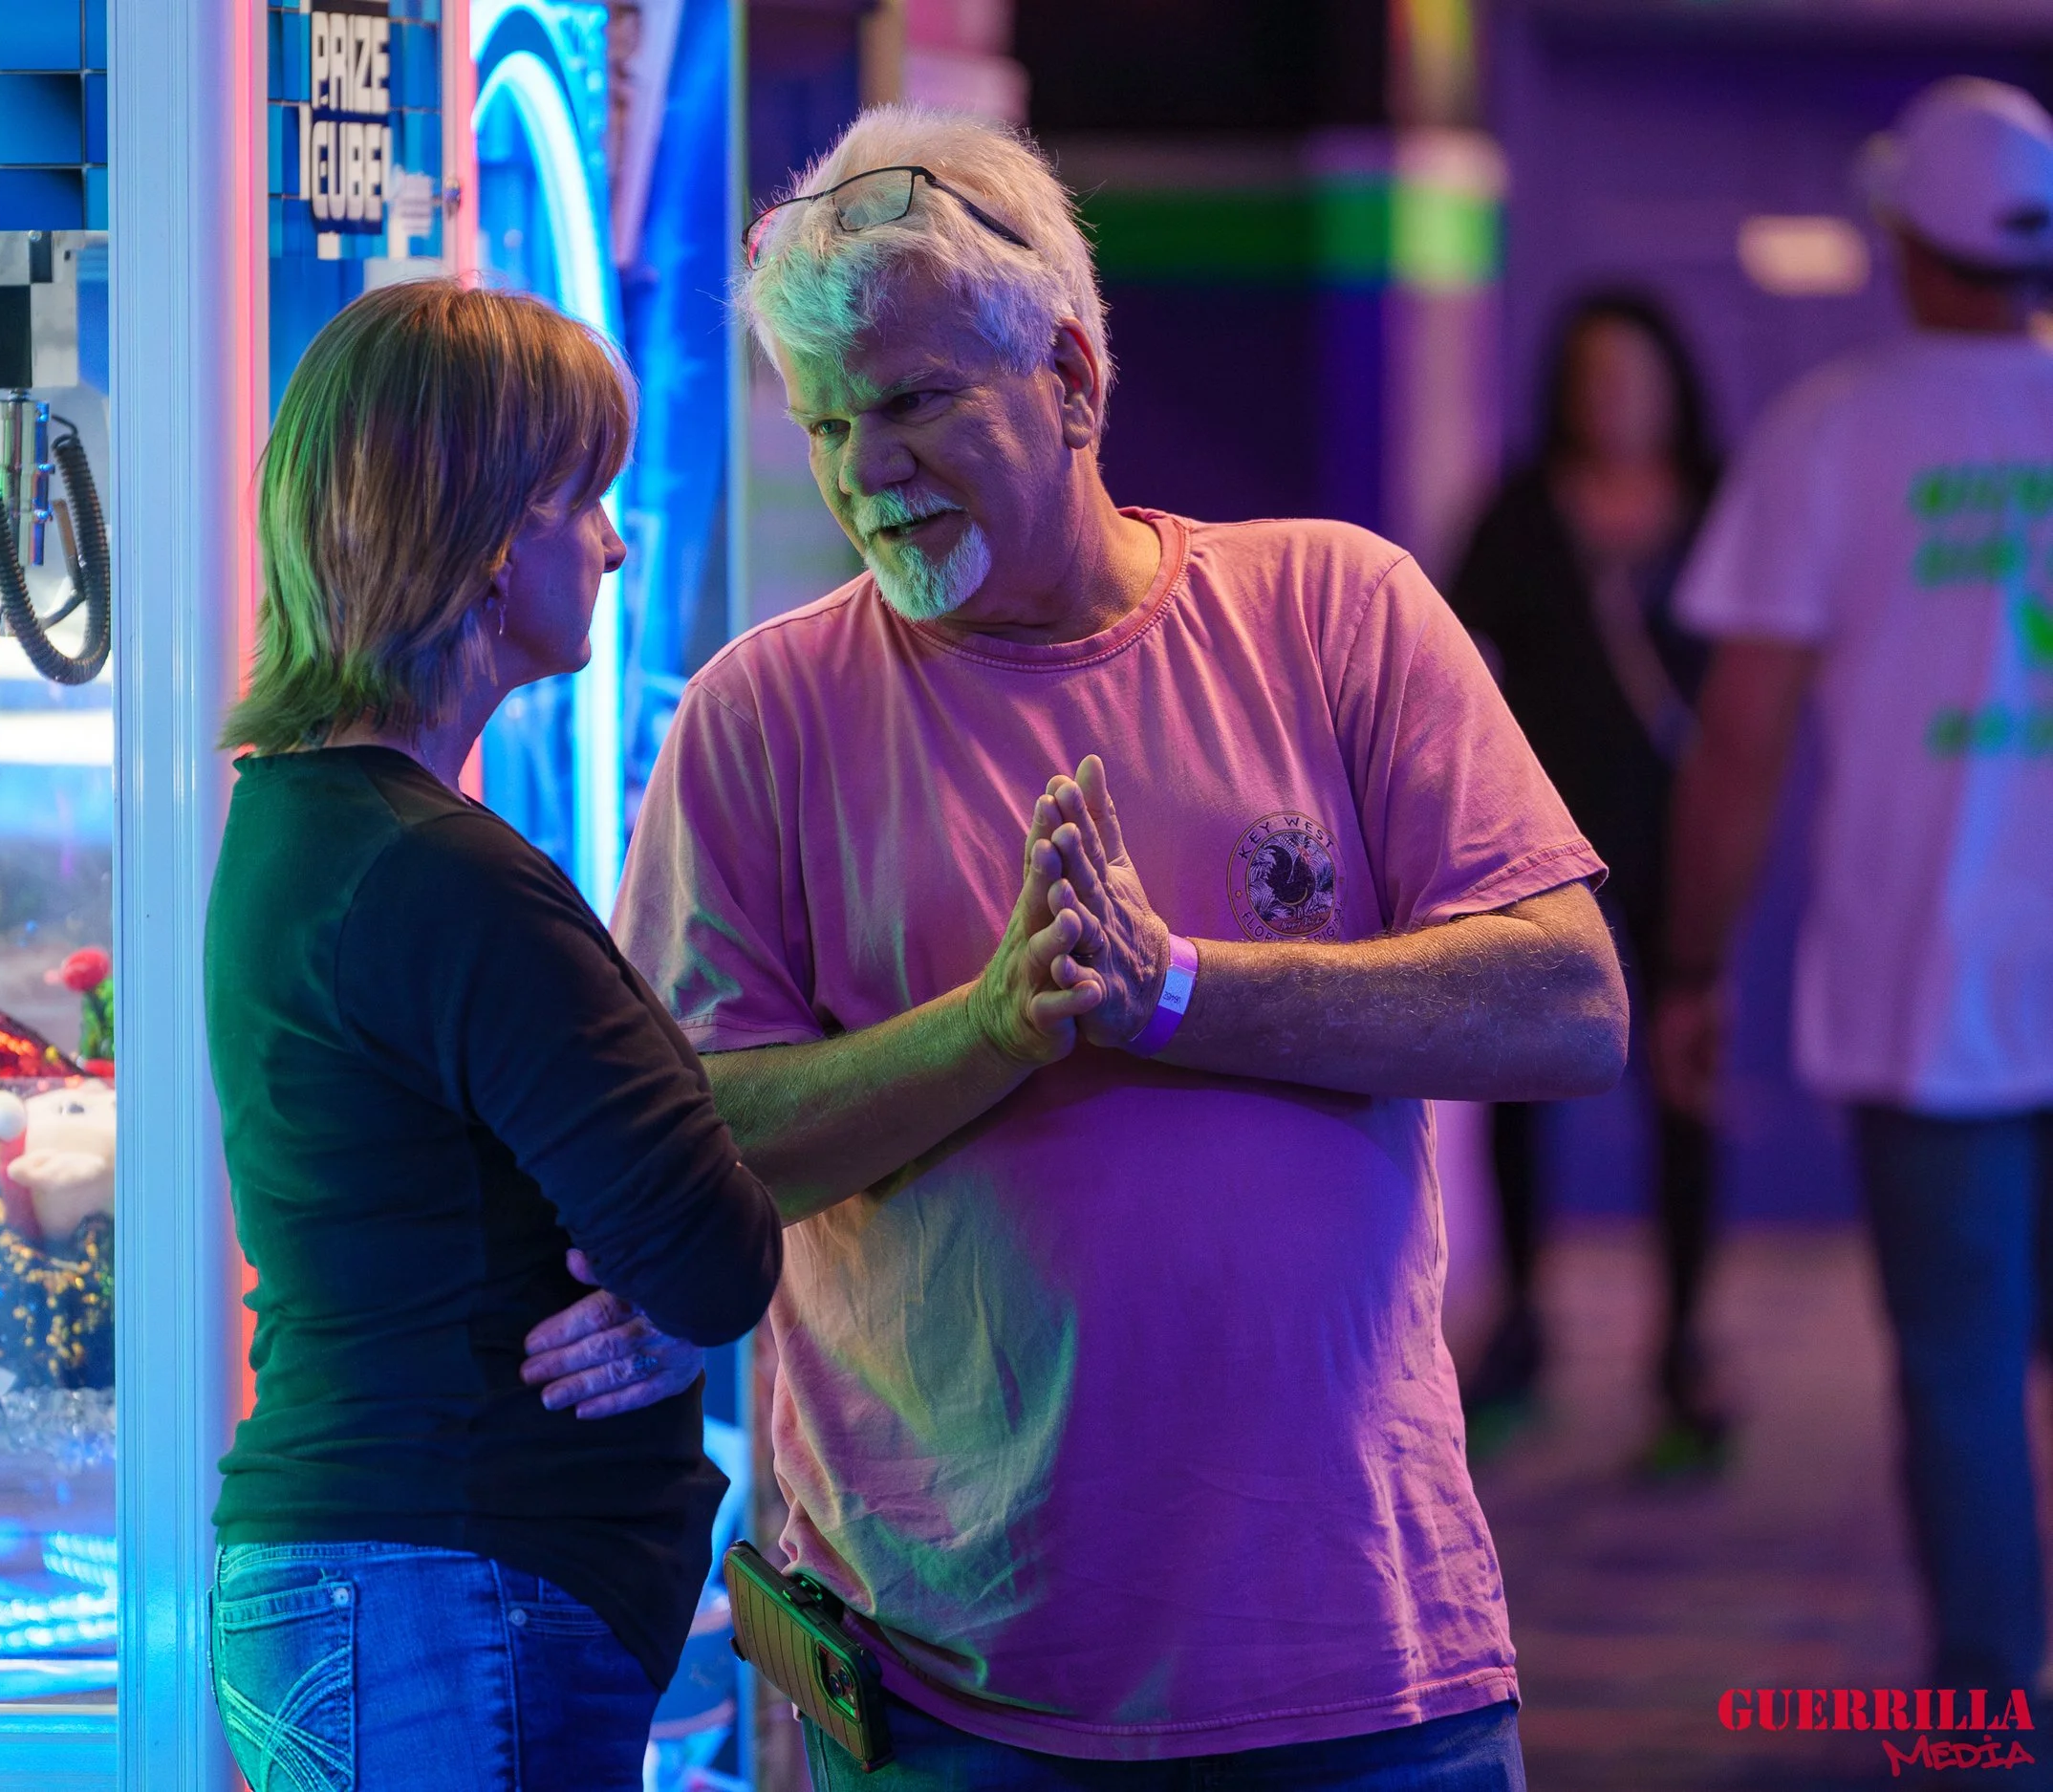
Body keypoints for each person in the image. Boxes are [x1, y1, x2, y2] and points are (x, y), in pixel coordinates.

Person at [615, 106, 1630, 1788]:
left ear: (1074, 380)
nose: (870, 470)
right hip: (942, 1695)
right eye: (827, 423)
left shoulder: (1336, 612)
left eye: (921, 401)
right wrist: (998, 1029)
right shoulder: (760, 715)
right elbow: (694, 1151)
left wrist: (1173, 991)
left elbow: (1566, 1000)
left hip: (1365, 1668)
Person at [203, 283, 783, 1790]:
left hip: (389, 1591)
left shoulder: (312, 823)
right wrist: (662, 1285)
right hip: (441, 1592)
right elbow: (713, 1249)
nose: (616, 536)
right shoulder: (438, 872)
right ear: (477, 543)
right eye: (579, 496)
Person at [1656, 76, 2053, 1695]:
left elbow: (1740, 740)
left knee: (1961, 1376)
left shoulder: (1837, 430)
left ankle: (1991, 1721)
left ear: (1902, 235)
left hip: (1928, 995)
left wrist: (1686, 968)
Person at [1447, 291, 1724, 1470]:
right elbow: (1447, 661)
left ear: (1672, 385)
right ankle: (1523, 1321)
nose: (1614, 396)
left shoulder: (1720, 506)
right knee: (1522, 1078)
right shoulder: (1520, 511)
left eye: (1635, 373)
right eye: (1593, 374)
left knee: (1684, 1078)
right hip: (1543, 846)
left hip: (1686, 840)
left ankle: (1683, 1348)